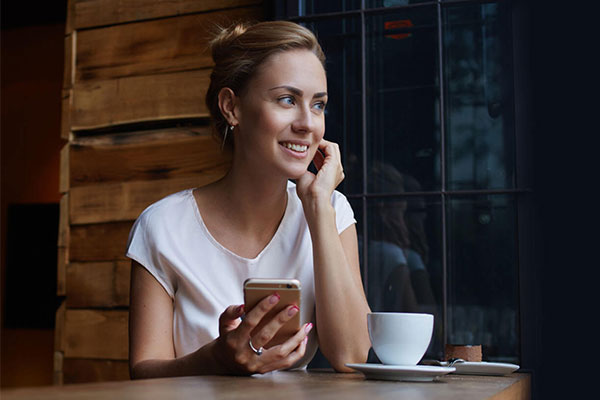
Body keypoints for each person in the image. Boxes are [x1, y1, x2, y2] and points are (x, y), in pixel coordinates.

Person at [125, 21, 371, 378]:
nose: (308, 124)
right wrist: (215, 361)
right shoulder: (162, 226)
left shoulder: (331, 210)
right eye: (287, 100)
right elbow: (142, 373)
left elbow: (352, 357)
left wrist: (319, 209)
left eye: (318, 105)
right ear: (232, 107)